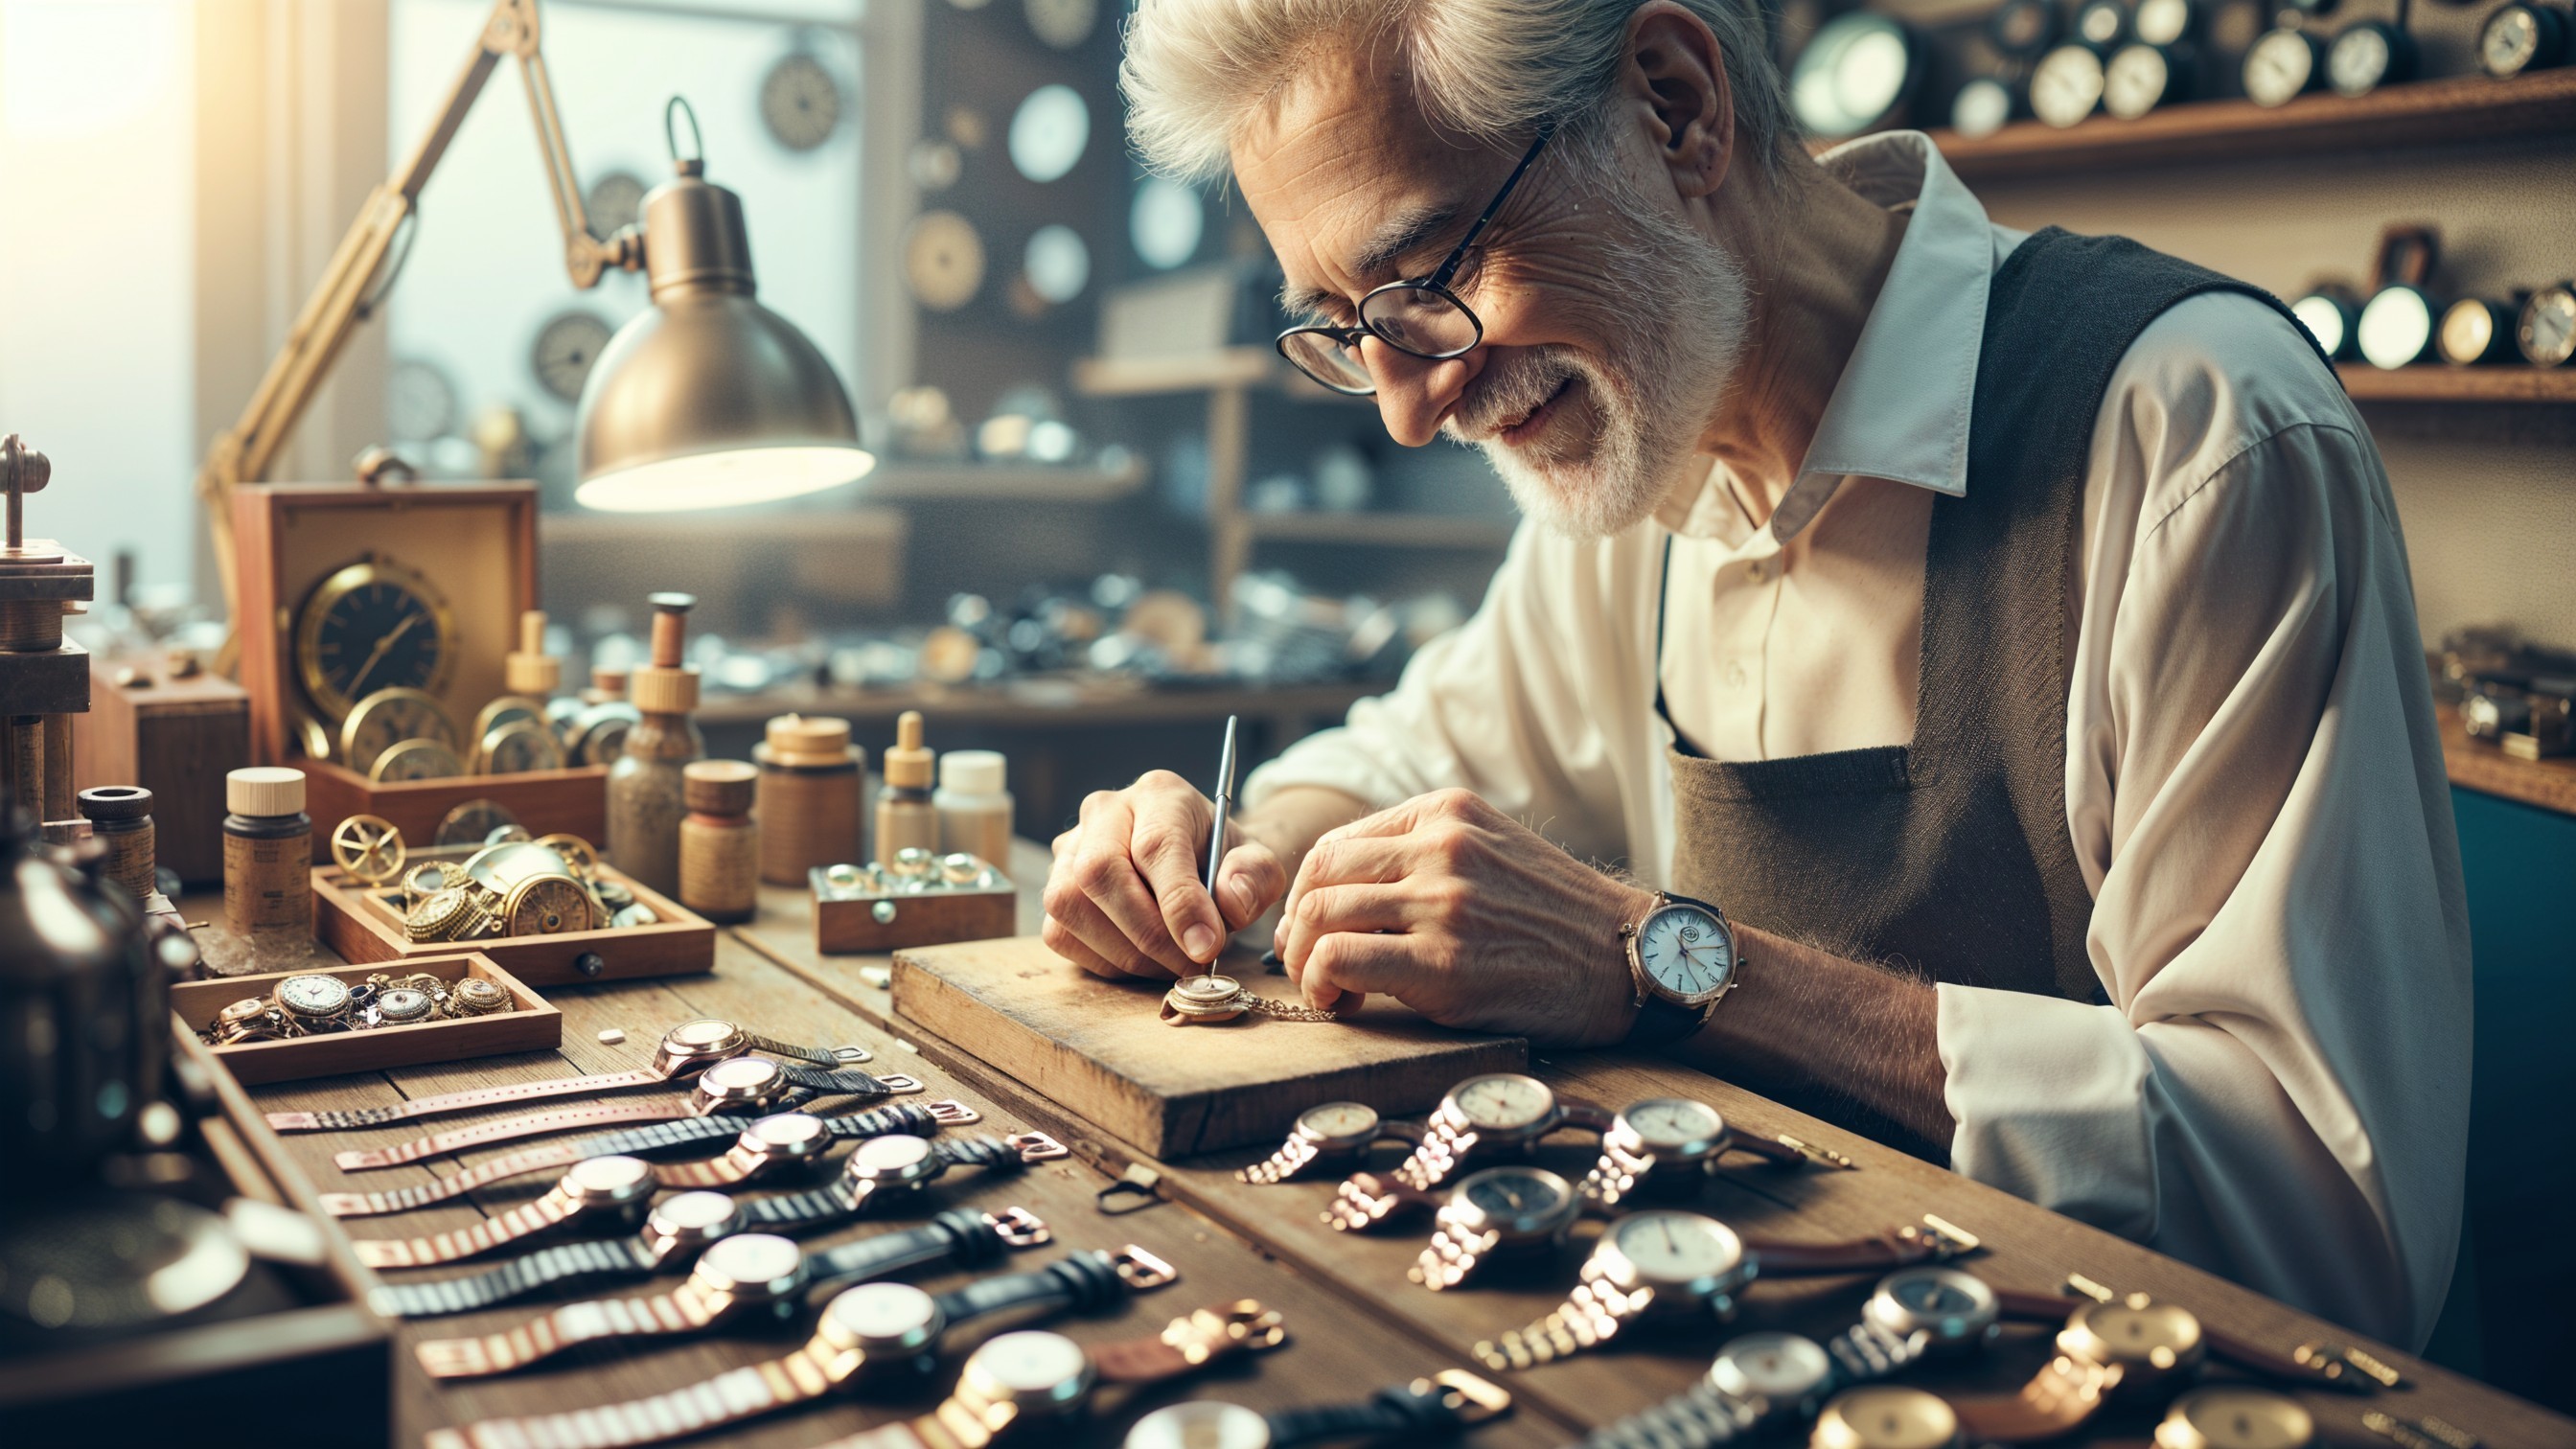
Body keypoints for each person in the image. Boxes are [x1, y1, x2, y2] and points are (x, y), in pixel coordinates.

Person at [1045, 0, 2470, 1348]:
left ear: (1675, 109)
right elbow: (1419, 751)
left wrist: (1656, 964)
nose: (1413, 407)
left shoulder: (2195, 441)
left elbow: (2328, 1221)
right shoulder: (1637, 455)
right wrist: (1242, 847)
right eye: (1352, 325)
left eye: (1431, 280)